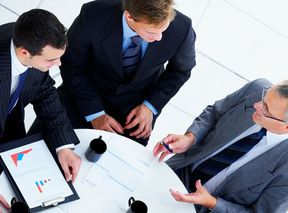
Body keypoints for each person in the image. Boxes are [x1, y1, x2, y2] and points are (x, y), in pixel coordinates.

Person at [153, 78, 288, 212]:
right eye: (264, 97)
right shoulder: (257, 88)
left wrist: (212, 203)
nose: (257, 105)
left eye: (266, 109)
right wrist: (190, 138)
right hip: (179, 170)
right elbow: (214, 112)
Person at [56, 0, 196, 146]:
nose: (159, 37)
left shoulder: (182, 28)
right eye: (151, 32)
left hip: (136, 110)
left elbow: (181, 70)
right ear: (129, 16)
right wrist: (95, 113)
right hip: (83, 93)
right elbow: (70, 64)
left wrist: (150, 106)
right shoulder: (94, 14)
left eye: (163, 30)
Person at [0, 9, 81, 211]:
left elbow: (45, 91)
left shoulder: (25, 40)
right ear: (24, 52)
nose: (58, 64)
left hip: (9, 128)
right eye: (50, 60)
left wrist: (64, 146)